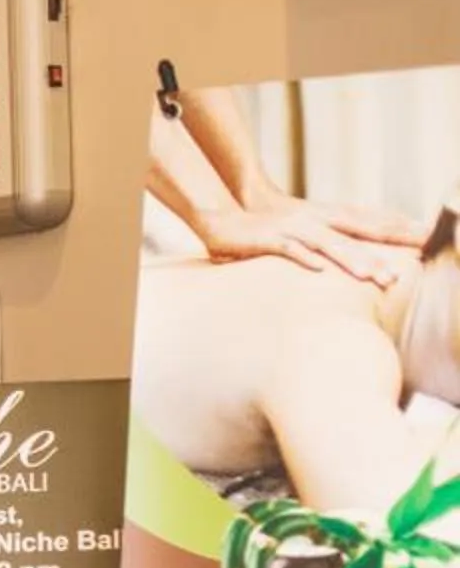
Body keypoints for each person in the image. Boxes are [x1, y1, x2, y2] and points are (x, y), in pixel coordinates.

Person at [136, 86, 457, 510]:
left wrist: (249, 192)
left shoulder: (379, 274)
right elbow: (389, 533)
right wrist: (222, 207)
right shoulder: (340, 345)